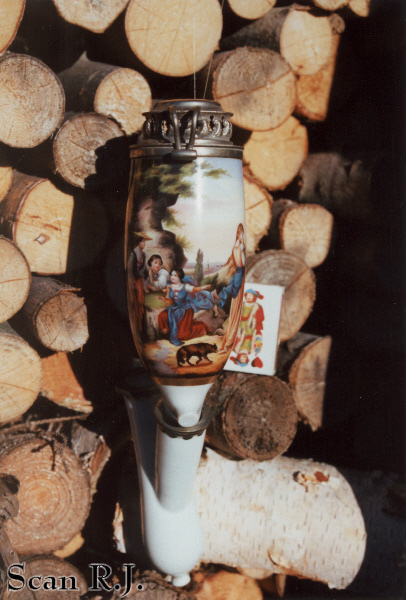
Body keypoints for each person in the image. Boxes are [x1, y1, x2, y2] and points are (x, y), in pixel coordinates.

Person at [158, 268, 215, 346]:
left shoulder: (185, 286)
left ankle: (202, 328)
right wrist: (164, 299)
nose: (172, 277)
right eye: (172, 275)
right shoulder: (170, 287)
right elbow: (171, 301)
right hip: (174, 309)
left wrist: (205, 287)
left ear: (180, 277)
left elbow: (195, 289)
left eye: (175, 275)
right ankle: (168, 331)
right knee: (162, 315)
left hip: (185, 311)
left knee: (182, 336)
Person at [216, 223, 246, 353]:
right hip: (239, 277)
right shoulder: (237, 247)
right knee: (235, 311)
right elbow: (240, 265)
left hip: (240, 277)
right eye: (241, 234)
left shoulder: (240, 246)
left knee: (236, 311)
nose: (243, 237)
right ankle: (227, 343)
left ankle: (228, 343)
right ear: (239, 234)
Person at [233, 289, 265, 356]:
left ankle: (246, 350)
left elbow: (261, 318)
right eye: (247, 295)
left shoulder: (258, 307)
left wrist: (253, 318)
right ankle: (238, 350)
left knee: (249, 338)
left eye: (250, 295)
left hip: (251, 326)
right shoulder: (241, 304)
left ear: (254, 297)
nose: (249, 297)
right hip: (240, 325)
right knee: (237, 338)